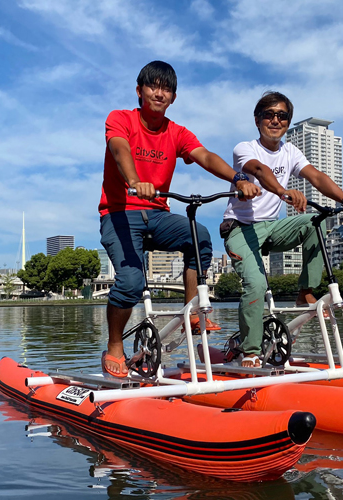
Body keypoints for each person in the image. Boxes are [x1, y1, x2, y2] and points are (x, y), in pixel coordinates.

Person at [99, 61, 259, 377]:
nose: (159, 93)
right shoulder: (122, 120)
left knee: (198, 235)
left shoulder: (176, 132)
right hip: (119, 214)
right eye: (153, 86)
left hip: (157, 215)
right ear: (139, 91)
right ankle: (114, 346)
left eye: (167, 89)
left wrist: (238, 177)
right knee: (130, 283)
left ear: (173, 96)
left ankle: (192, 311)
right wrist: (134, 180)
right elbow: (119, 149)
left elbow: (205, 156)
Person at [220, 91, 343, 368]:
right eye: (269, 115)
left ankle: (305, 290)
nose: (275, 120)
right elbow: (260, 171)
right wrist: (283, 191)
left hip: (271, 228)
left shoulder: (291, 151)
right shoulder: (245, 148)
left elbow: (317, 177)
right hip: (239, 230)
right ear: (257, 120)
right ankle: (249, 352)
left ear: (288, 121)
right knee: (256, 285)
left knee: (312, 221)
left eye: (282, 116)